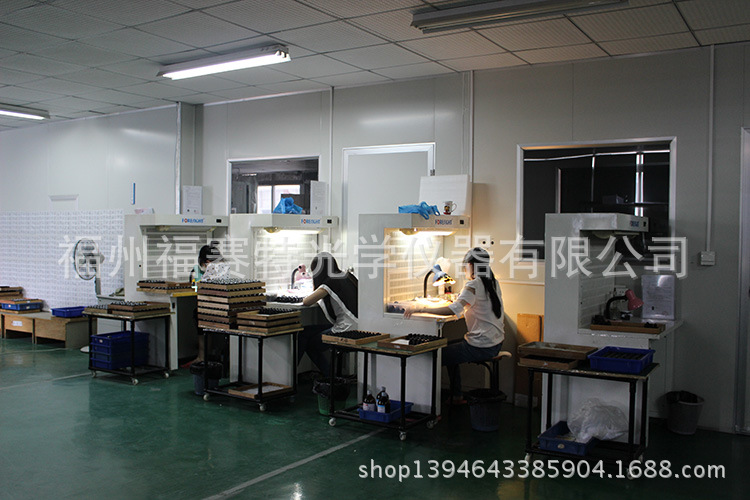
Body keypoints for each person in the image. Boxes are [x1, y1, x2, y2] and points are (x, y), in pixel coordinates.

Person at [404, 247, 504, 404]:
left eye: (465, 265)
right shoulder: (493, 282)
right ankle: (456, 395)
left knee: (436, 355)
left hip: (481, 345)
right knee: (448, 346)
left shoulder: (474, 285)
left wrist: (421, 308)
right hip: (495, 342)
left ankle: (428, 404)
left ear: (470, 265)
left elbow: (452, 309)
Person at [301, 252, 358, 374]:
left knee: (310, 344)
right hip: (360, 326)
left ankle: (329, 377)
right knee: (305, 332)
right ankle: (330, 376)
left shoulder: (329, 283)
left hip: (346, 329)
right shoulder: (347, 276)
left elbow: (306, 301)